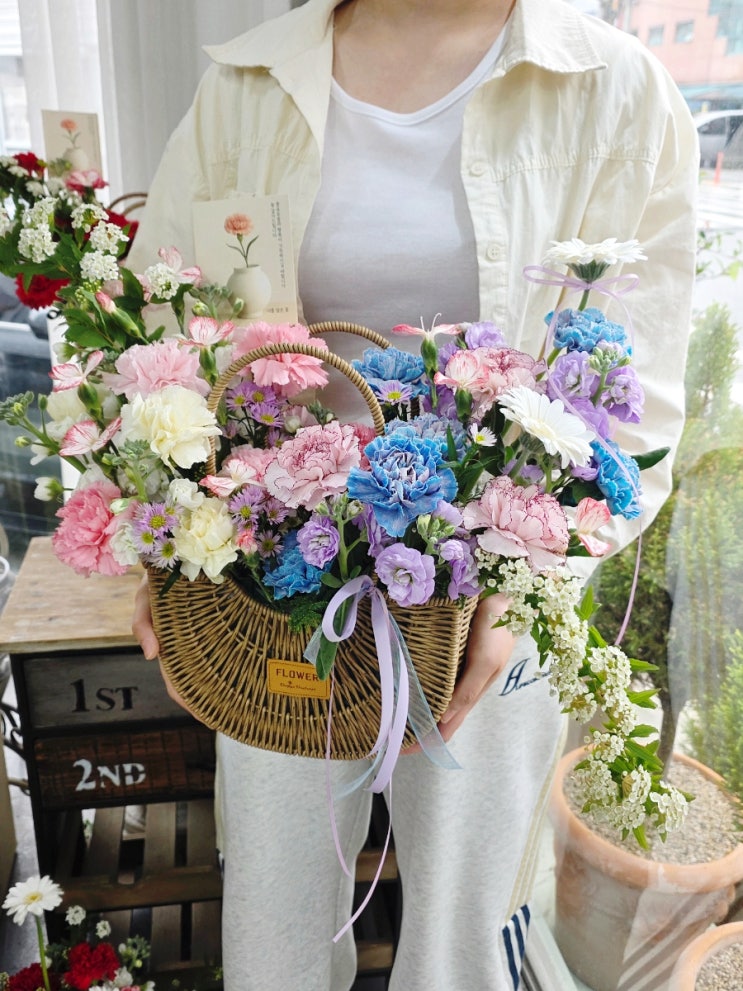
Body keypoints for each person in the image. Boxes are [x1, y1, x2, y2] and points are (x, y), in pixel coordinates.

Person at [128, 0, 698, 987]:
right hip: (273, 584)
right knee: (275, 917)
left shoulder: (613, 90)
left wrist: (529, 580)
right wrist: (164, 538)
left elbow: (635, 393)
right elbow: (160, 329)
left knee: (464, 935)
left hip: (494, 589)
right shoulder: (247, 86)